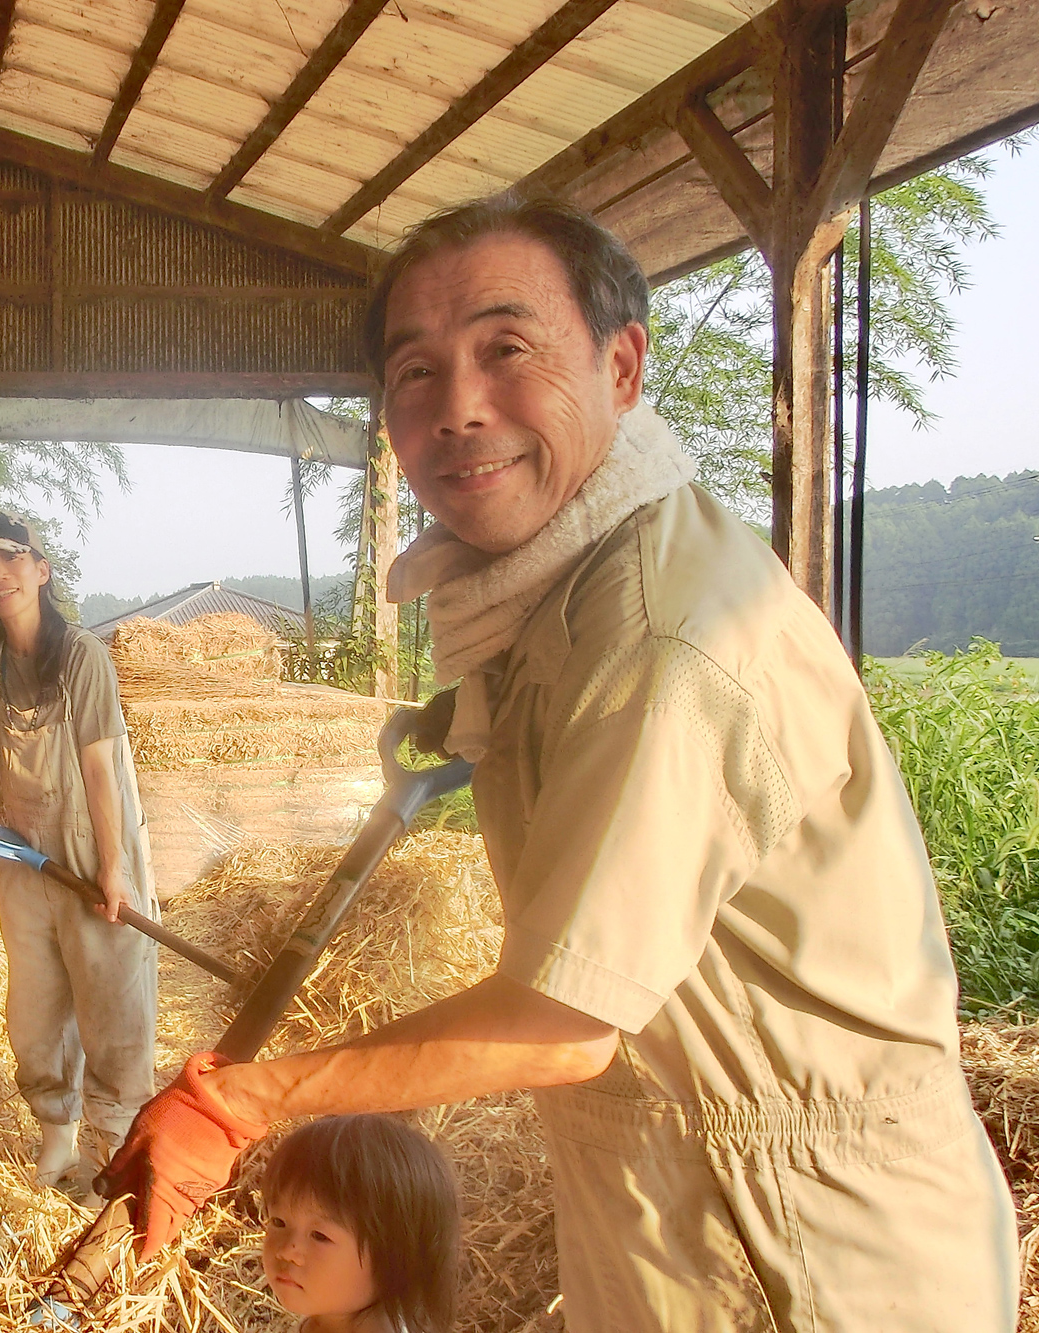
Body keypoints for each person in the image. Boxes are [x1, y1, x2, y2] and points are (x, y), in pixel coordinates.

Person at [96, 196, 1018, 1331]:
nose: (457, 409)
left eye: (506, 350)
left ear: (622, 367)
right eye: (413, 374)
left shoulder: (663, 634)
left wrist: (239, 1102)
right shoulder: (562, 596)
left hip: (803, 1239)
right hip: (681, 1194)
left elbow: (561, 1023)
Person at [0, 510, 159, 1190]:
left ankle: (117, 1151)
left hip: (92, 843)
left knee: (111, 1006)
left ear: (41, 570)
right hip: (25, 852)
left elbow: (100, 768)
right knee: (35, 1005)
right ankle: (57, 1139)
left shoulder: (82, 657)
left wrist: (114, 868)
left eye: (11, 560)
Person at [260, 1115, 460, 1333]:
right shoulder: (325, 1320)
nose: (287, 1252)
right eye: (279, 1222)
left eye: (319, 1235)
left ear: (395, 1258)